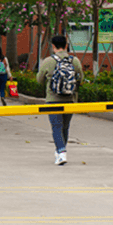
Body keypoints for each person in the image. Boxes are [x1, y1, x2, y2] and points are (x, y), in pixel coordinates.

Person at [36, 35, 83, 166]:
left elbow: (39, 80)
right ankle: (60, 151)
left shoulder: (48, 61)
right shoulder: (75, 61)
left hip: (53, 100)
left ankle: (61, 153)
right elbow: (81, 79)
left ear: (53, 46)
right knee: (65, 127)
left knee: (56, 127)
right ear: (66, 45)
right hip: (70, 100)